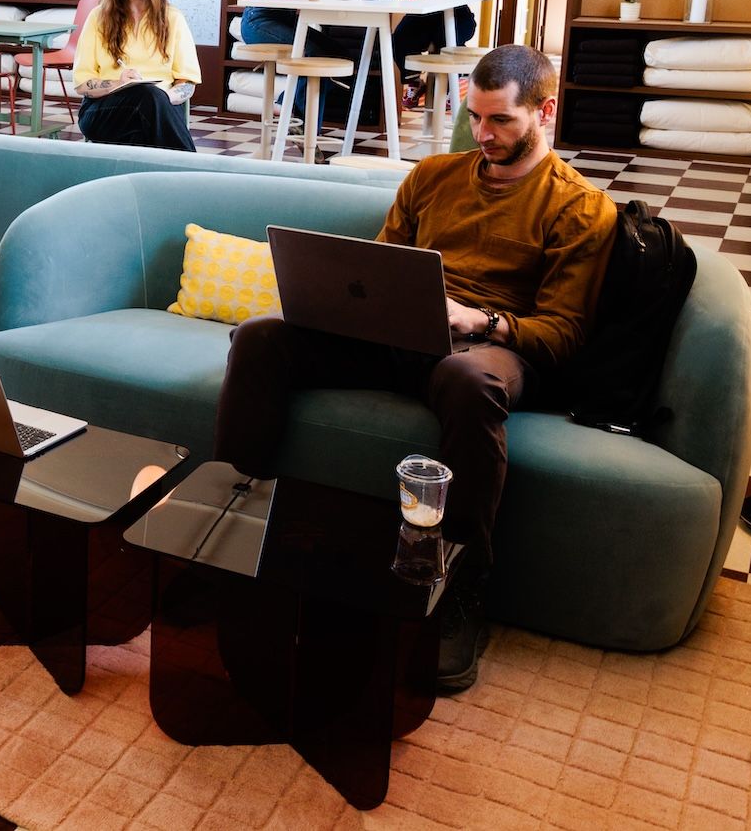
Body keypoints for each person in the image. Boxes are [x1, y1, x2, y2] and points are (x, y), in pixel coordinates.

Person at [212, 45, 615, 693]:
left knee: (468, 380)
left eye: (501, 120)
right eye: (474, 116)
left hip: (489, 349)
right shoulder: (432, 176)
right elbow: (378, 268)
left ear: (545, 112)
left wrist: (479, 321)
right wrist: (345, 302)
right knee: (262, 337)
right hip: (399, 335)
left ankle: (460, 585)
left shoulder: (580, 207)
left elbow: (563, 335)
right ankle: (224, 528)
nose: (483, 134)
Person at [74, 0, 202, 151]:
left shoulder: (173, 18)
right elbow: (81, 84)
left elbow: (187, 84)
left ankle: (160, 169)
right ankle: (191, 167)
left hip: (161, 106)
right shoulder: (98, 18)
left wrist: (163, 98)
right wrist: (118, 83)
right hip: (104, 109)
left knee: (150, 102)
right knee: (147, 98)